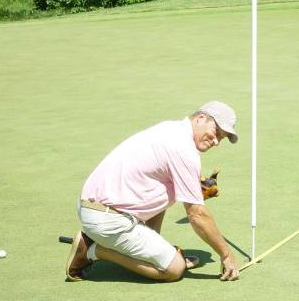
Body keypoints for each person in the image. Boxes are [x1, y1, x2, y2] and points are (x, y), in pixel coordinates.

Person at [66, 101, 240, 282]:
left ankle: (149, 251)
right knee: (174, 269)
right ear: (201, 118)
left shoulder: (171, 129)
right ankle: (93, 250)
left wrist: (193, 189)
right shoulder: (184, 150)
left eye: (222, 138)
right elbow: (197, 215)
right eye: (216, 132)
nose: (217, 142)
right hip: (107, 220)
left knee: (165, 187)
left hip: (92, 206)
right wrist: (226, 255)